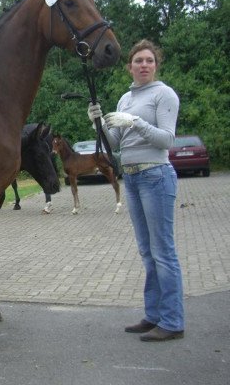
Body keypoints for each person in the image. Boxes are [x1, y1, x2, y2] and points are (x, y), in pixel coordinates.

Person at [88, 39, 184, 341]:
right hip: (131, 178)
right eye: (138, 60)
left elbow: (167, 140)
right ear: (130, 66)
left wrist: (137, 122)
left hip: (156, 175)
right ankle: (153, 315)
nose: (144, 65)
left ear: (156, 65)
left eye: (149, 60)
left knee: (163, 252)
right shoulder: (124, 99)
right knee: (147, 252)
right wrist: (99, 124)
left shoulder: (164, 94)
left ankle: (172, 321)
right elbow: (114, 144)